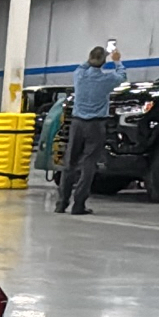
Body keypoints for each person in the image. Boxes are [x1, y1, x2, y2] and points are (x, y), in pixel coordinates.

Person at [57, 45, 129, 215]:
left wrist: (94, 58)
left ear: (89, 59)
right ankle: (78, 205)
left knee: (70, 163)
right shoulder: (108, 79)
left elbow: (84, 65)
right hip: (96, 125)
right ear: (104, 62)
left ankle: (61, 204)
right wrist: (117, 60)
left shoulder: (79, 75)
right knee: (88, 164)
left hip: (77, 124)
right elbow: (122, 76)